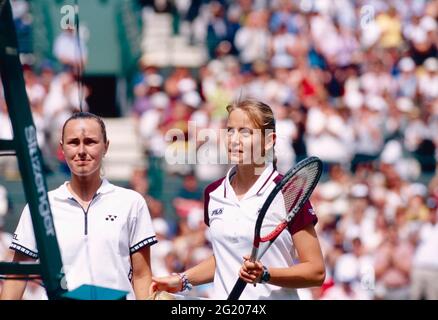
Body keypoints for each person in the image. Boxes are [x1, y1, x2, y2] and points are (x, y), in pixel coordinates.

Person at [150, 99, 325, 299]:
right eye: (230, 130)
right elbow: (226, 257)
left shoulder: (288, 192)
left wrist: (265, 275)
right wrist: (182, 279)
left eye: (245, 132)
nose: (234, 139)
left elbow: (316, 271)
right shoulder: (213, 193)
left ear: (269, 140)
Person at [0, 112, 156, 300]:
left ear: (106, 146)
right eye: (74, 142)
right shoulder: (41, 206)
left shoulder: (132, 202)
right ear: (62, 148)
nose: (81, 150)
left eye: (90, 142)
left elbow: (141, 275)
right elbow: (18, 275)